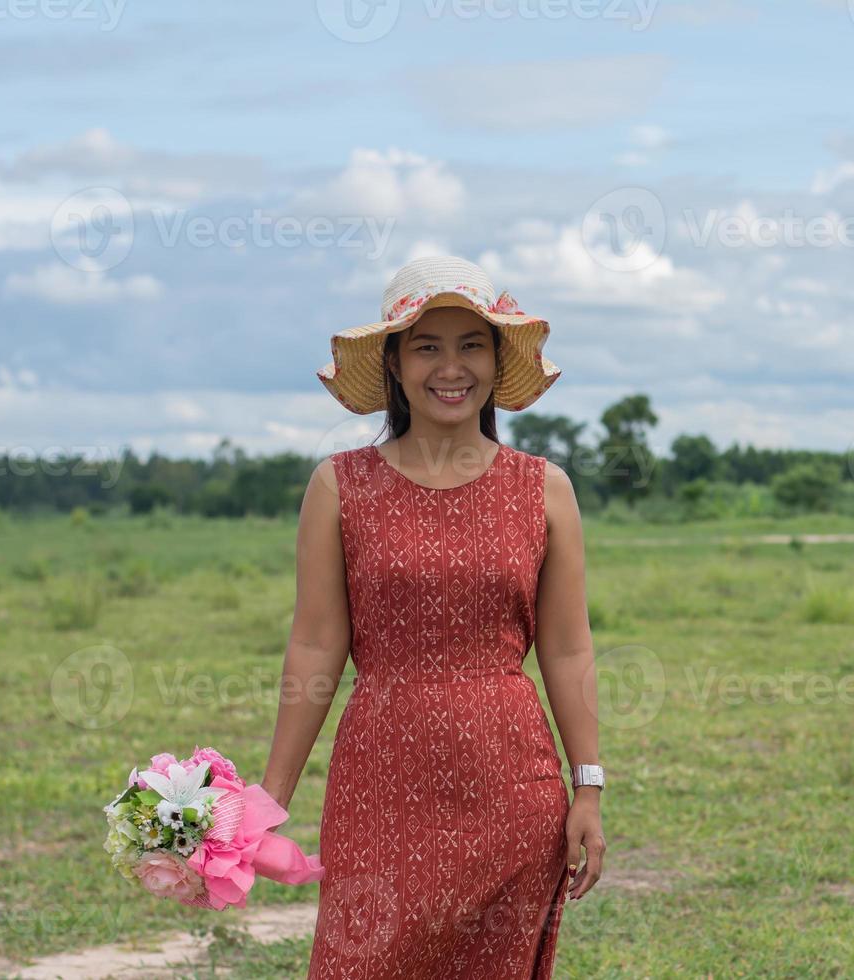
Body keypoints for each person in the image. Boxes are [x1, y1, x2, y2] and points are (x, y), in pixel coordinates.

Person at [260, 256, 607, 978]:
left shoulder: (545, 490)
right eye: (427, 346)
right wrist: (271, 800)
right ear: (392, 363)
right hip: (379, 783)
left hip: (513, 792)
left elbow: (568, 652)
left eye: (471, 344)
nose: (452, 368)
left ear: (495, 360)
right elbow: (317, 646)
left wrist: (589, 787)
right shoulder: (339, 487)